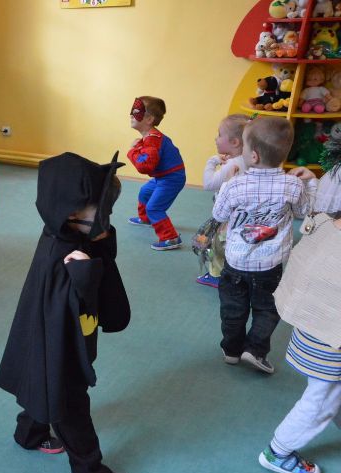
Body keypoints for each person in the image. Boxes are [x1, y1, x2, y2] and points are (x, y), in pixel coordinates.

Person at [0, 151, 131, 473]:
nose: (105, 220)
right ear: (71, 210)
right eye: (101, 212)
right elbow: (75, 298)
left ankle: (29, 433)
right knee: (67, 398)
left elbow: (105, 269)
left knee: (39, 378)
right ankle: (88, 469)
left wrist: (99, 244)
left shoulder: (70, 234)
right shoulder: (61, 254)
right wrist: (83, 269)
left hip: (62, 335)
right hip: (60, 343)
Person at [212, 116, 317, 374]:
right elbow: (304, 210)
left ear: (254, 156)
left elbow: (219, 214)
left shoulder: (234, 185)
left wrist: (227, 186)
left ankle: (231, 350)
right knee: (268, 309)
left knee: (233, 309)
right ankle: (255, 350)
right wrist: (311, 181)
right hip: (270, 265)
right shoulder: (292, 184)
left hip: (235, 263)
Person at [257, 172, 341, 473]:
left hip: (313, 330)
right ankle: (278, 451)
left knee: (330, 393)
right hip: (329, 342)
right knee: (322, 399)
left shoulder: (326, 226)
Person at [126, 96, 187, 250]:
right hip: (163, 176)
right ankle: (146, 219)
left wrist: (132, 151)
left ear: (149, 119)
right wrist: (139, 146)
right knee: (145, 192)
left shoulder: (153, 139)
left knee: (154, 207)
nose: (131, 115)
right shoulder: (150, 137)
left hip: (171, 178)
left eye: (136, 112)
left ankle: (171, 238)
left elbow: (145, 166)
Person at [196, 114, 249, 288]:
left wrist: (212, 161)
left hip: (227, 216)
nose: (216, 138)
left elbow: (208, 184)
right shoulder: (249, 160)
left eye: (219, 134)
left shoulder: (232, 164)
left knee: (218, 245)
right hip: (245, 215)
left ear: (234, 142)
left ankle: (216, 276)